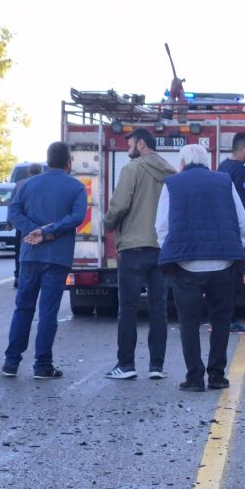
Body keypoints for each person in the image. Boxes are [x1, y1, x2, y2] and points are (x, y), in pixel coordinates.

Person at [157, 144, 245, 392]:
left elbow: (162, 227)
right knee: (220, 321)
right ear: (207, 162)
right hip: (222, 264)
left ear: (182, 163)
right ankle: (217, 376)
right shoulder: (224, 181)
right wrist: (232, 249)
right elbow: (243, 223)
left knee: (189, 323)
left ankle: (194, 377)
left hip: (186, 266)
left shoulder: (172, 184)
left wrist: (173, 254)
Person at [3, 142, 87, 379]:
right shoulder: (76, 187)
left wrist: (34, 231)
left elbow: (13, 213)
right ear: (69, 162)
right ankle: (42, 365)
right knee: (48, 312)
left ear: (47, 161)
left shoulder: (28, 184)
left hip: (30, 255)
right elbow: (77, 217)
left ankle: (11, 363)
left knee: (23, 308)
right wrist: (49, 231)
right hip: (57, 257)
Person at [101, 128, 173, 380]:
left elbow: (119, 205)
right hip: (161, 248)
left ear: (141, 144)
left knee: (128, 308)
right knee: (159, 308)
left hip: (133, 247)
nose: (127, 148)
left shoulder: (132, 169)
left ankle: (126, 364)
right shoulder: (170, 171)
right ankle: (156, 366)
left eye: (129, 144)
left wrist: (108, 223)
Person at [217, 131, 245, 335]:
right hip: (237, 233)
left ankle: (221, 318)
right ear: (241, 148)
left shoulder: (223, 167)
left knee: (223, 278)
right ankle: (230, 320)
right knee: (234, 279)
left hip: (223, 231)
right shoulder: (240, 171)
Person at [12, 163, 44, 289]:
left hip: (22, 224)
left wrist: (10, 222)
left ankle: (18, 277)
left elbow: (13, 205)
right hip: (40, 223)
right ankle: (40, 277)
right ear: (40, 172)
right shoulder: (43, 184)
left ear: (28, 172)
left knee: (20, 250)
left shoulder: (20, 184)